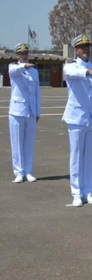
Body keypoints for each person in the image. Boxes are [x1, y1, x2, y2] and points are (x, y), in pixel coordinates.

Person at [62, 35, 92, 206]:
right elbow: (70, 73)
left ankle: (87, 191)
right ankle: (76, 192)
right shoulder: (71, 66)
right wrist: (87, 72)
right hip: (76, 118)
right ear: (76, 50)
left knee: (89, 156)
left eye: (88, 46)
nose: (86, 49)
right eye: (82, 47)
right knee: (76, 155)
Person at [8, 42, 40, 183]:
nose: (24, 55)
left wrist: (38, 111)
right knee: (17, 142)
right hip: (17, 110)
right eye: (21, 53)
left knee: (29, 142)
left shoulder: (34, 71)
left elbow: (36, 93)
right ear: (17, 55)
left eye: (26, 53)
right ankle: (19, 172)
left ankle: (28, 171)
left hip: (31, 111)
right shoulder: (13, 67)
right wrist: (24, 66)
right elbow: (14, 71)